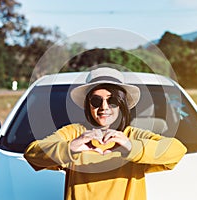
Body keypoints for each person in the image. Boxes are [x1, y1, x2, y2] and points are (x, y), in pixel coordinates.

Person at [24, 67, 187, 200]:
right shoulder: (74, 133)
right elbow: (32, 153)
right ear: (88, 105)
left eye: (112, 100)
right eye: (96, 100)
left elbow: (177, 150)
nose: (104, 107)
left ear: (122, 104)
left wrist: (131, 148)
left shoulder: (132, 136)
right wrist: (71, 148)